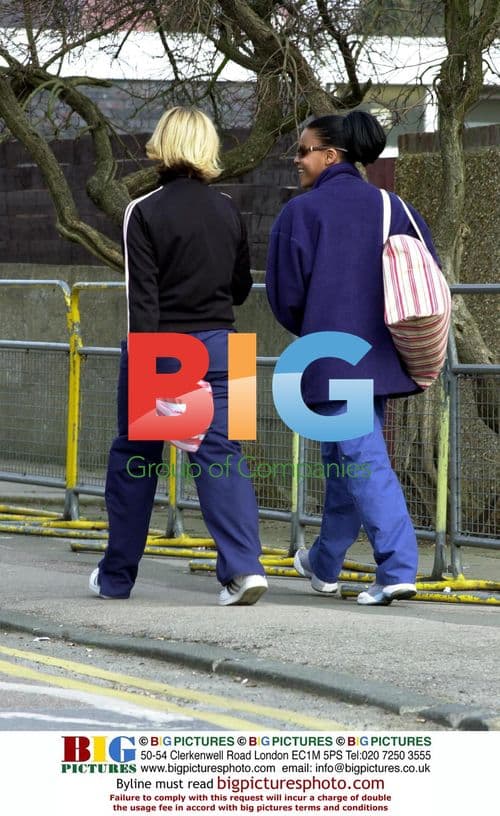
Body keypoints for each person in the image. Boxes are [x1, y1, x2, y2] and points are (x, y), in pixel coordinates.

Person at [89, 107, 267, 606]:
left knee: (136, 460)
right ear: (208, 148)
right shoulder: (229, 209)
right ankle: (244, 570)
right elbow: (239, 288)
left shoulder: (141, 210)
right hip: (228, 346)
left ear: (160, 144)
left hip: (164, 347)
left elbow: (141, 300)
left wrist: (148, 365)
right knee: (222, 459)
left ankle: (116, 578)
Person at [266, 111, 440, 606]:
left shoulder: (301, 213)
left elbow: (285, 297)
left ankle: (397, 567)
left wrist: (320, 322)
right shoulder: (394, 205)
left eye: (303, 151)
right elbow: (426, 271)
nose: (297, 160)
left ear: (331, 155)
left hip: (329, 356)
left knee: (361, 461)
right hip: (382, 355)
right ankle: (323, 564)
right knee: (342, 461)